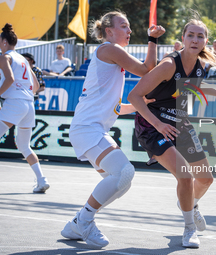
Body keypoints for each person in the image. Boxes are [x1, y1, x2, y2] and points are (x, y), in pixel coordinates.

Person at [60, 11, 165, 249]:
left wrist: (143, 103)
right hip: (88, 128)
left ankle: (77, 222)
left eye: (129, 27)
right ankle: (85, 220)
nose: (129, 31)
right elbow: (147, 68)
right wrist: (153, 39)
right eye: (124, 26)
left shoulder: (111, 57)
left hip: (90, 129)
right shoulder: (109, 49)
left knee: (122, 181)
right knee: (124, 172)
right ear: (109, 31)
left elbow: (117, 107)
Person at [128, 18, 216, 248]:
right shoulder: (169, 65)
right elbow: (134, 96)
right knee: (185, 176)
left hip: (178, 121)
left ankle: (188, 204)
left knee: (206, 178)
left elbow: (181, 99)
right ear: (183, 38)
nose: (195, 39)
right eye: (191, 35)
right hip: (152, 124)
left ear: (205, 41)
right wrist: (159, 125)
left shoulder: (201, 66)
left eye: (200, 36)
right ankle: (189, 229)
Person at [0, 23, 50, 193]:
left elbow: (10, 79)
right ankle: (42, 180)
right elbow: (35, 85)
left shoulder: (4, 57)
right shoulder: (23, 59)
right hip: (29, 105)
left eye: (0, 42)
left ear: (5, 42)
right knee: (24, 146)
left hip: (15, 103)